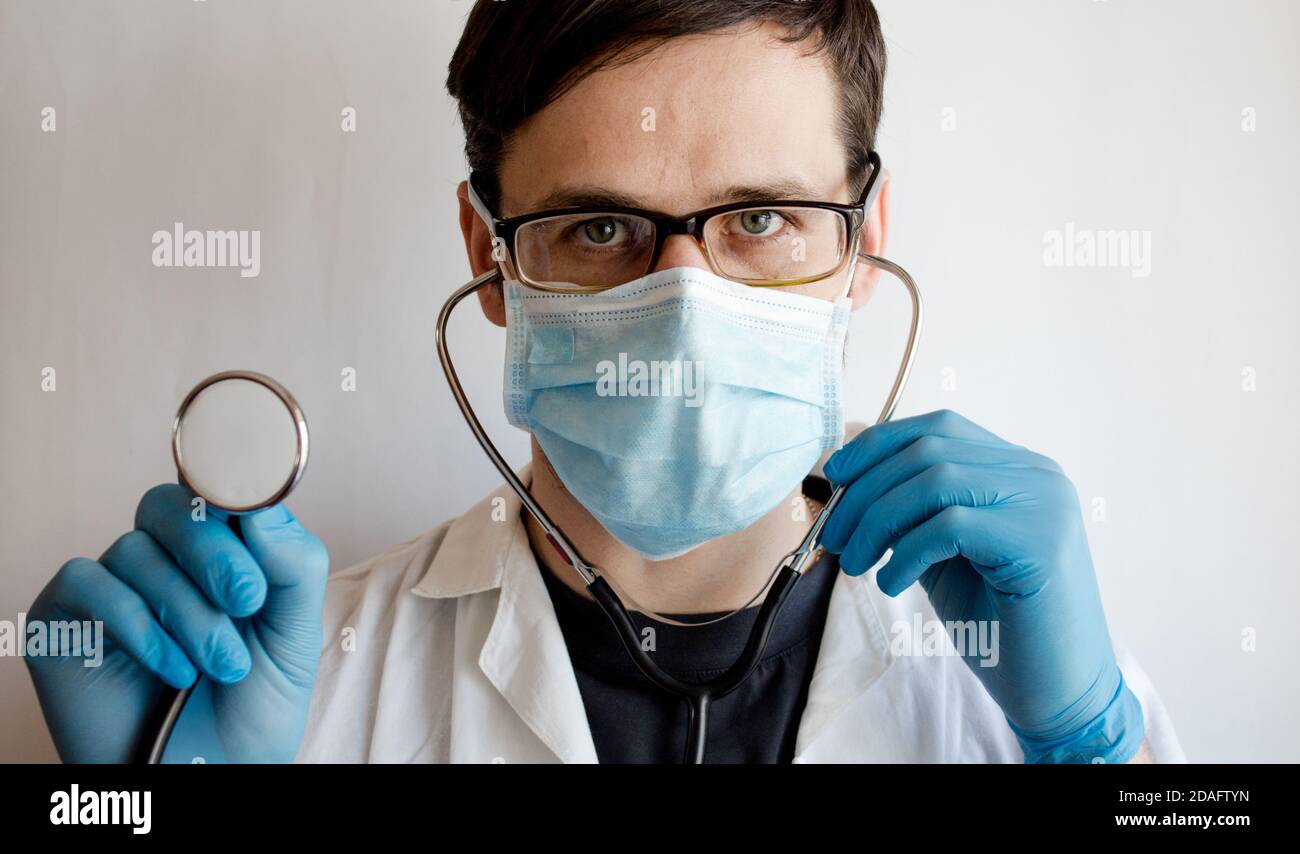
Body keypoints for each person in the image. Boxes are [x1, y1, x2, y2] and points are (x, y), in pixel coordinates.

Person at [25, 0, 1183, 764]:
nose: (683, 301)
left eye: (763, 217)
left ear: (864, 241)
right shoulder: (291, 690)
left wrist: (1095, 748)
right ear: (490, 254)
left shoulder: (1030, 680)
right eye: (599, 226)